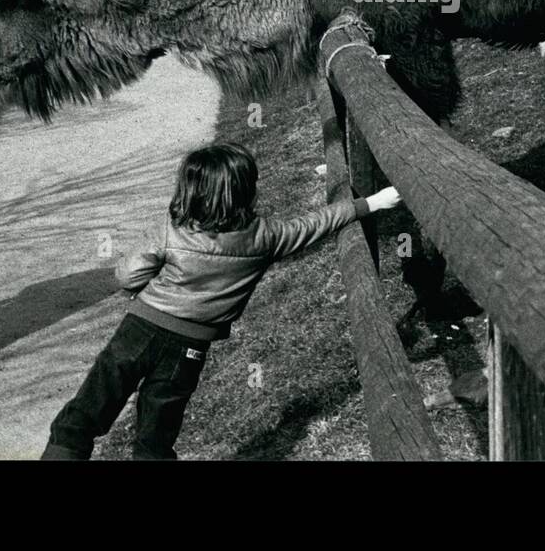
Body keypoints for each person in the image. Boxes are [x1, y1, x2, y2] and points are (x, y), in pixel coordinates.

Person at [41, 141, 404, 460]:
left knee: (85, 414)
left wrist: (144, 286)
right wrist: (372, 202)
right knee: (156, 434)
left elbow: (127, 276)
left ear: (190, 191)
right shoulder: (265, 237)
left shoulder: (173, 229)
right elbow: (316, 223)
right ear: (246, 191)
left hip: (138, 331)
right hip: (190, 348)